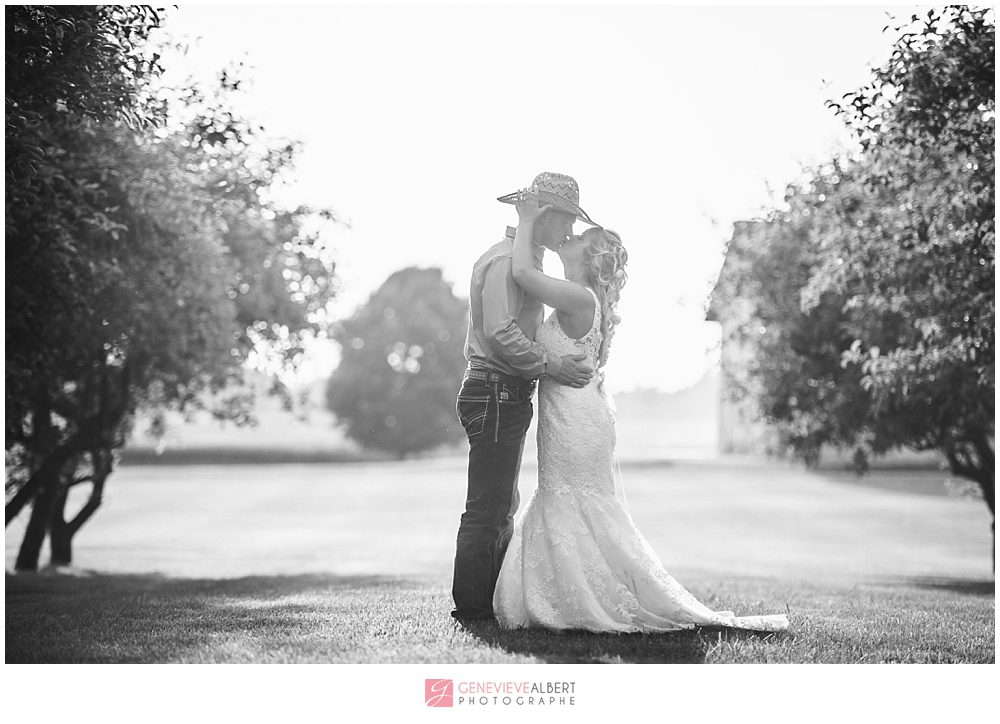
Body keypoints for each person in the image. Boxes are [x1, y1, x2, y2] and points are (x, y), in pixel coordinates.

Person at [492, 190, 790, 633]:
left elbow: (520, 271)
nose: (568, 236)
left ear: (590, 257)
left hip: (576, 421)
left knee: (572, 500)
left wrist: (527, 218)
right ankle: (568, 593)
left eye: (577, 236)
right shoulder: (578, 295)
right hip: (572, 415)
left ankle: (580, 598)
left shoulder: (580, 298)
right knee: (571, 500)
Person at [450, 172, 599, 622]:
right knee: (489, 506)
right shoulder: (503, 262)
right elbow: (500, 332)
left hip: (505, 391)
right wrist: (552, 365)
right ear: (545, 215)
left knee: (501, 503)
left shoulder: (526, 264)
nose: (569, 231)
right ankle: (473, 610)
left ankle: (488, 601)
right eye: (566, 220)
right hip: (495, 389)